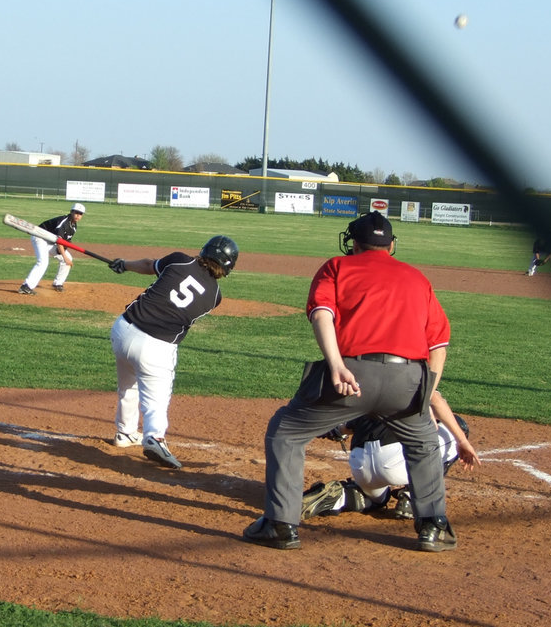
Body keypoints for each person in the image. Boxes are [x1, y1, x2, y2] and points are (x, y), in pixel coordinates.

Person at [242, 211, 455, 552]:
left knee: (286, 432)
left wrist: (336, 364)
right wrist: (426, 390)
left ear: (352, 242)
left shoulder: (337, 266)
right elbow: (439, 343)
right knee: (425, 443)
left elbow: (321, 312)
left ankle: (281, 525)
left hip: (352, 374)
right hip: (408, 378)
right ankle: (434, 527)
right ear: (391, 245)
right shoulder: (417, 278)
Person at [107, 235, 239, 469]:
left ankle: (125, 432)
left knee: (128, 386)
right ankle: (155, 436)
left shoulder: (180, 261)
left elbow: (149, 265)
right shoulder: (214, 297)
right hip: (156, 346)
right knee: (156, 399)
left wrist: (124, 264)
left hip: (123, 328)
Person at [300, 390, 480, 520]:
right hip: (395, 463)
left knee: (376, 498)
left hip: (361, 465)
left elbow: (345, 428)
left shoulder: (371, 383)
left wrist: (335, 431)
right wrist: (462, 441)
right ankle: (412, 496)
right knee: (458, 427)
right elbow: (436, 399)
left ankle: (342, 497)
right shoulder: (411, 375)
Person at [18, 204, 84, 295]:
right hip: (39, 237)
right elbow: (60, 241)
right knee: (43, 262)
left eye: (80, 214)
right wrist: (64, 257)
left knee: (68, 258)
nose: (78, 215)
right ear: (71, 212)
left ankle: (58, 283)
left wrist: (63, 253)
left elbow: (65, 242)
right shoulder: (64, 221)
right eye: (76, 212)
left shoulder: (74, 226)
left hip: (49, 241)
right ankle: (26, 286)